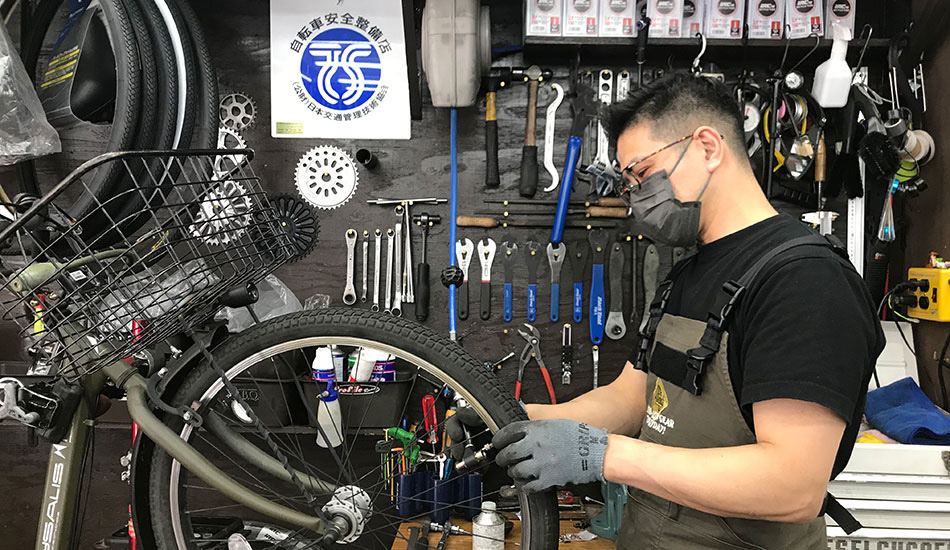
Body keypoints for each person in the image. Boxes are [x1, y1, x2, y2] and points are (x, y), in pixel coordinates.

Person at [490, 73, 885, 549]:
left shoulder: (805, 280)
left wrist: (604, 455)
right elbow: (632, 400)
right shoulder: (685, 274)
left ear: (707, 147)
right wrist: (513, 418)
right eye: (629, 184)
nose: (635, 198)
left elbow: (792, 485)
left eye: (641, 173)